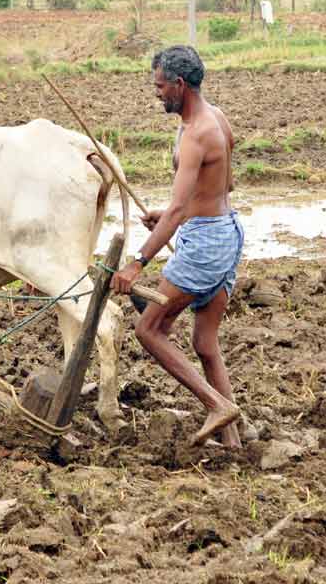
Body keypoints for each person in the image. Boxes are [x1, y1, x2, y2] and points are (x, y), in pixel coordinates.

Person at [112, 45, 243, 448]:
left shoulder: (196, 134)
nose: (157, 93)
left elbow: (177, 210)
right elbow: (225, 187)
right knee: (205, 344)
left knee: (148, 329)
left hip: (205, 244)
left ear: (180, 85)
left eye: (161, 85)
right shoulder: (215, 119)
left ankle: (215, 404)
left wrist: (136, 263)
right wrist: (175, 216)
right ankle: (235, 443)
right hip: (226, 232)